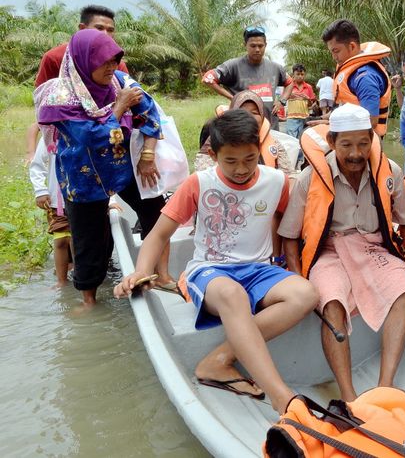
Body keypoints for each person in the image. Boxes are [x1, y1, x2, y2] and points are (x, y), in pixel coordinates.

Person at [114, 110, 318, 413]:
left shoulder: (277, 181)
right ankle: (282, 398)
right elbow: (157, 235)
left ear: (258, 151)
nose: (241, 169)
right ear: (213, 153)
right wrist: (141, 272)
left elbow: (289, 225)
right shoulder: (199, 183)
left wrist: (285, 263)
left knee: (306, 294)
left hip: (259, 269)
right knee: (233, 294)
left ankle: (218, 360)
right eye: (231, 161)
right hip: (211, 271)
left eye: (249, 159)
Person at [279, 104, 405, 402]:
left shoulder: (390, 172)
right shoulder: (311, 178)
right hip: (328, 251)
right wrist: (297, 278)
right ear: (332, 142)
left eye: (363, 143)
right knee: (331, 301)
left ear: (373, 138)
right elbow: (289, 236)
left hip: (372, 246)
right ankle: (349, 396)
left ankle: (385, 387)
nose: (356, 153)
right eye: (346, 144)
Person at [35, 29, 173, 307]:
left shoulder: (120, 80)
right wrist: (119, 108)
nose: (112, 68)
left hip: (123, 166)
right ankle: (89, 300)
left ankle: (160, 274)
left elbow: (149, 111)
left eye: (115, 60)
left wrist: (147, 154)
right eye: (104, 62)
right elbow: (90, 137)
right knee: (90, 237)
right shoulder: (60, 95)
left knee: (156, 211)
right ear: (85, 61)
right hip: (82, 176)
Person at [26, 4, 129, 163]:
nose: (105, 34)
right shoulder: (54, 58)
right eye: (99, 28)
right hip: (68, 144)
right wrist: (33, 150)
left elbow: (130, 100)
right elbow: (43, 105)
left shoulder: (116, 66)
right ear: (82, 28)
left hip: (111, 143)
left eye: (110, 30)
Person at [202, 26, 286, 131]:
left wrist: (282, 101)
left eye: (261, 46)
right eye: (253, 46)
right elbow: (207, 79)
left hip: (271, 129)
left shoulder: (275, 68)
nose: (257, 49)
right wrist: (233, 98)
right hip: (244, 130)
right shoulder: (233, 66)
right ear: (245, 45)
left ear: (266, 45)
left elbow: (290, 82)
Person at [195, 91, 296, 174]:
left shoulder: (274, 143)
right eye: (242, 111)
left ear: (262, 116)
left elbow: (290, 175)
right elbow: (202, 173)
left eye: (255, 112)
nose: (249, 117)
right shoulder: (217, 139)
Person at [321, 20, 392, 136]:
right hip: (348, 137)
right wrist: (324, 118)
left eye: (336, 51)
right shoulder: (353, 73)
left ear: (352, 46)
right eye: (331, 52)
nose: (334, 57)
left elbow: (370, 121)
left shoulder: (365, 78)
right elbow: (345, 107)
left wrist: (332, 124)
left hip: (363, 145)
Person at [28, 137, 72, 287]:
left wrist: (109, 200)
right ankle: (62, 281)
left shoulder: (85, 126)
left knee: (76, 242)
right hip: (57, 199)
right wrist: (40, 190)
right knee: (60, 240)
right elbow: (37, 165)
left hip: (83, 199)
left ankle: (81, 280)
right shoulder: (51, 134)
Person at [280, 64, 316, 140]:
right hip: (292, 118)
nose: (300, 76)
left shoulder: (308, 87)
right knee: (291, 140)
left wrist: (308, 99)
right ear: (293, 75)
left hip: (304, 118)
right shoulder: (289, 86)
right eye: (298, 74)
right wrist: (289, 96)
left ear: (304, 75)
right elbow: (282, 100)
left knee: (303, 139)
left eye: (302, 74)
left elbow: (311, 105)